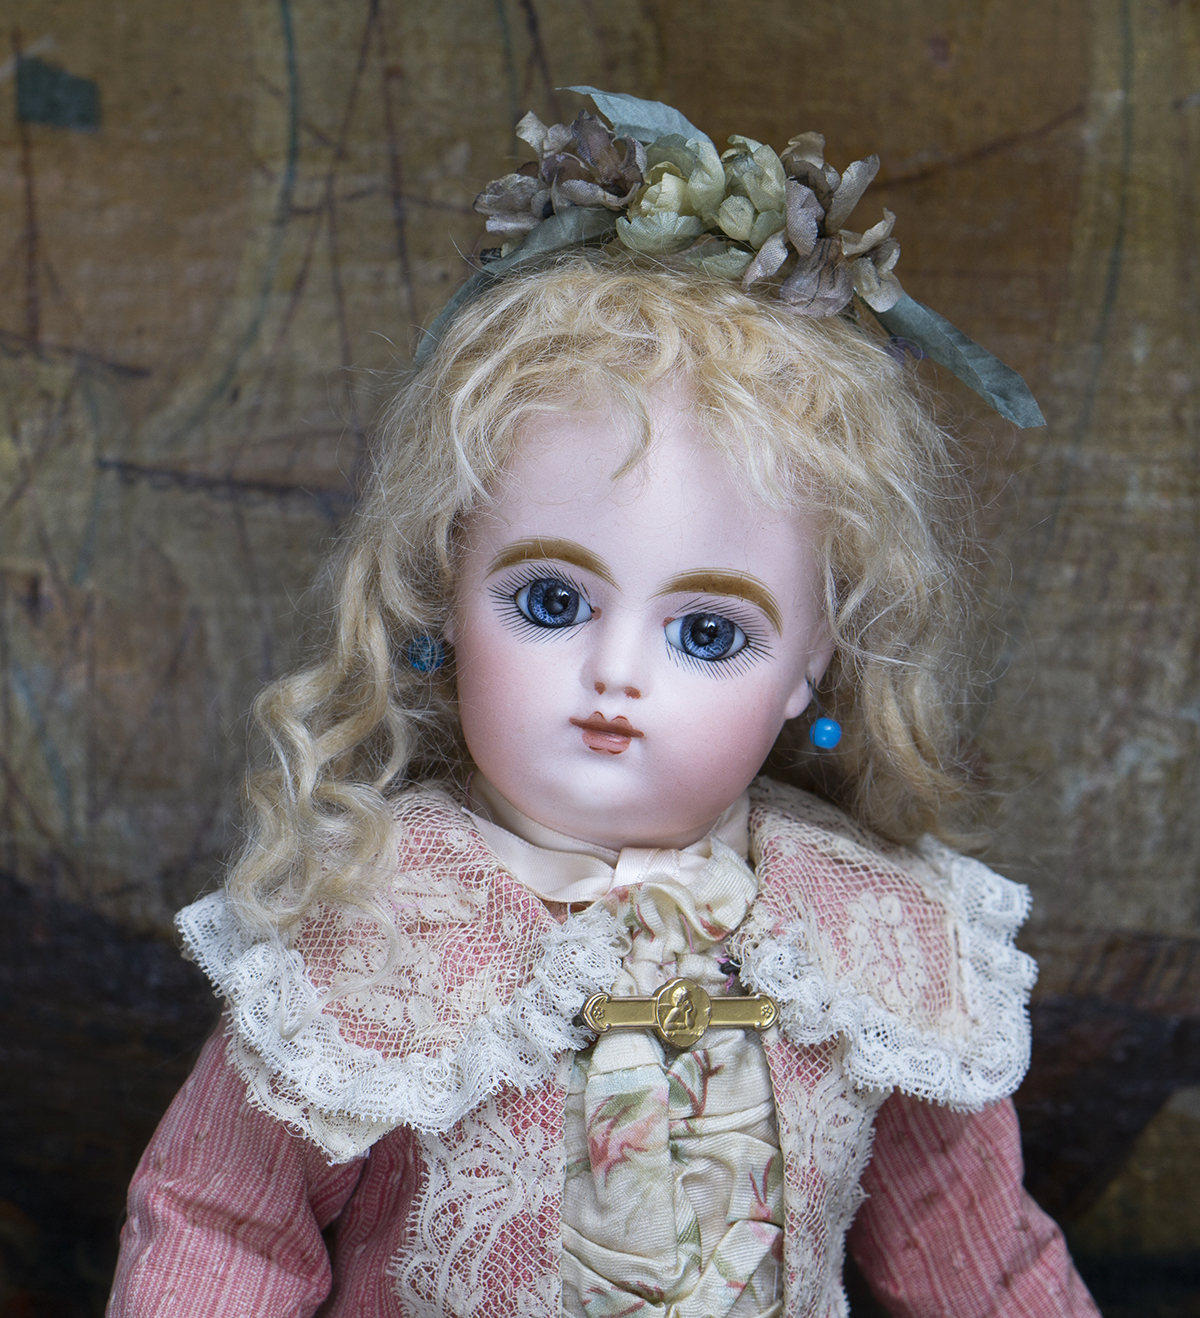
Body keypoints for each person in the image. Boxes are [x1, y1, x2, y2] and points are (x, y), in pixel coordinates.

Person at [108, 93, 1098, 1318]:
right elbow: (222, 1231)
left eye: (706, 632)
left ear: (812, 662)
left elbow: (983, 1264)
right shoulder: (377, 926)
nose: (616, 675)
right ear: (446, 590)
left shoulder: (875, 945)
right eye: (551, 602)